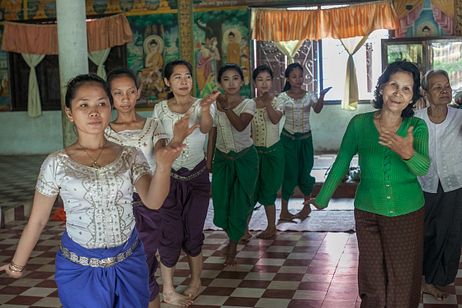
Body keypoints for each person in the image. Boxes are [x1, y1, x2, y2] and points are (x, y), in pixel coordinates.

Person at [0, 73, 187, 307]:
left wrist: (163, 166)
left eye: (101, 103)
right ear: (69, 113)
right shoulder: (56, 163)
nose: (94, 111)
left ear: (110, 108)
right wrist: (17, 266)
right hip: (79, 269)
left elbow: (153, 201)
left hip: (129, 262)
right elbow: (37, 220)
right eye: (83, 105)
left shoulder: (130, 155)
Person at [311, 61, 430, 307]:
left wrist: (406, 153)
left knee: (402, 280)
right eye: (393, 85)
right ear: (381, 87)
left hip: (407, 213)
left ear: (412, 98)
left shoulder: (416, 127)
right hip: (367, 212)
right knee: (372, 280)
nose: (398, 93)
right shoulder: (359, 124)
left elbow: (423, 168)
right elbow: (342, 162)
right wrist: (322, 198)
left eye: (406, 89)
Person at [104, 68, 195, 308]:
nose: (125, 99)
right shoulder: (103, 132)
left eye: (131, 92)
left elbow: (164, 156)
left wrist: (176, 140)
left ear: (138, 92)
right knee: (122, 264)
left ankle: (159, 293)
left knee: (144, 261)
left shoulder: (152, 125)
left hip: (147, 203)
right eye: (118, 93)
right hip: (114, 208)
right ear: (110, 97)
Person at [153, 60, 219, 306]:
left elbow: (206, 127)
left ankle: (195, 281)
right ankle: (168, 289)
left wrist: (204, 109)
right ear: (167, 82)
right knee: (169, 234)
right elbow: (158, 143)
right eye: (178, 77)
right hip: (169, 179)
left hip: (197, 178)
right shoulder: (160, 109)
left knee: (193, 232)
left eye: (188, 76)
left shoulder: (203, 105)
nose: (184, 81)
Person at [415, 69, 462, 300]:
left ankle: (439, 279)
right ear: (425, 92)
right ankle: (423, 279)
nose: (444, 91)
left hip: (455, 185)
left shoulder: (459, 117)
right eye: (437, 87)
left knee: (451, 235)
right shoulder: (416, 119)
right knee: (425, 234)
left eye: (447, 86)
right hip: (424, 185)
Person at [207, 63, 258, 266]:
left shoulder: (248, 104)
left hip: (245, 159)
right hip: (222, 160)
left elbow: (240, 125)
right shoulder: (213, 106)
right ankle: (233, 235)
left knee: (240, 203)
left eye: (235, 78)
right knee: (221, 203)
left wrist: (226, 106)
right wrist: (208, 159)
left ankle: (233, 245)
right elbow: (213, 133)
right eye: (226, 79)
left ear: (242, 81)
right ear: (220, 83)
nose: (231, 83)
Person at [277, 62, 329, 222]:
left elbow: (318, 109)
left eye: (300, 76)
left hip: (306, 139)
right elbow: (275, 117)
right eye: (294, 76)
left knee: (305, 172)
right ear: (288, 78)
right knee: (289, 173)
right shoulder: (282, 97)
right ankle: (284, 211)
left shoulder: (310, 95)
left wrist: (321, 96)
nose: (298, 79)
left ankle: (306, 207)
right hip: (288, 140)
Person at [250, 65, 284, 239]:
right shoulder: (249, 104)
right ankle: (243, 229)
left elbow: (275, 118)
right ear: (254, 82)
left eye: (267, 79)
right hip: (255, 154)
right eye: (260, 79)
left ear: (272, 82)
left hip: (273, 154)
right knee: (251, 190)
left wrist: (267, 102)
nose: (264, 83)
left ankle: (271, 227)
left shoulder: (279, 101)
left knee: (269, 191)